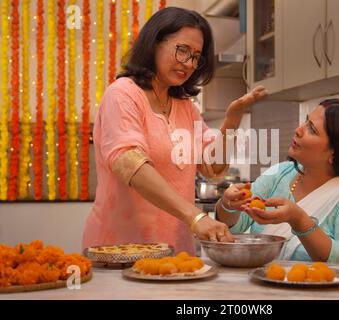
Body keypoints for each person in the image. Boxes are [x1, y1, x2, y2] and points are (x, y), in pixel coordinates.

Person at [82, 7, 267, 255]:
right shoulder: (123, 94)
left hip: (176, 249)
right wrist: (196, 218)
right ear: (155, 42)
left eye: (196, 57)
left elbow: (211, 167)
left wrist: (232, 121)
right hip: (120, 250)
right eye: (182, 50)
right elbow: (131, 164)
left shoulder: (184, 106)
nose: (189, 64)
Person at [216, 99, 339, 264]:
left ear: (335, 152)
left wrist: (300, 220)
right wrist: (228, 205)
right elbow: (235, 227)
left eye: (312, 129)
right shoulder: (281, 172)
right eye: (305, 121)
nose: (298, 129)